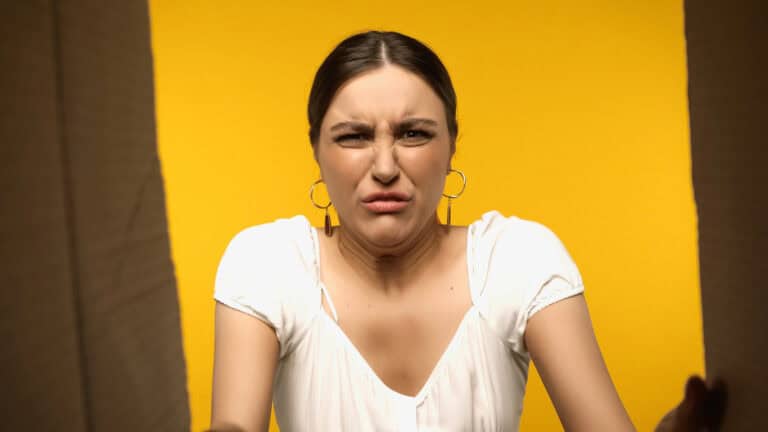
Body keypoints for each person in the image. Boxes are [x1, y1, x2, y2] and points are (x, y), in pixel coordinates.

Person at [209, 31, 724, 432]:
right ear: (317, 151)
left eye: (414, 134)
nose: (385, 166)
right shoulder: (267, 264)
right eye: (354, 136)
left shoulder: (517, 259)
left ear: (452, 145)